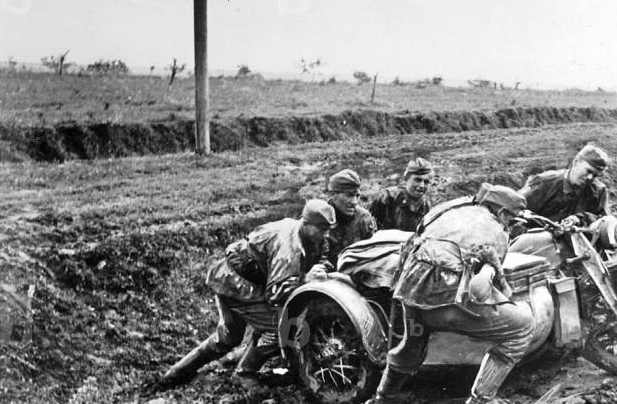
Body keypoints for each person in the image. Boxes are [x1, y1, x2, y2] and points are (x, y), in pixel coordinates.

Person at [367, 183, 534, 404]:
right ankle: (482, 401)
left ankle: (384, 398)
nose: (512, 226)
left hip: (411, 293)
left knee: (411, 343)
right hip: (445, 304)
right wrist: (499, 275)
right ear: (502, 213)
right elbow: (493, 287)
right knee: (521, 327)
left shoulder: (451, 209)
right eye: (512, 220)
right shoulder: (495, 231)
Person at [157, 199, 336, 389]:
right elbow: (276, 294)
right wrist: (306, 279)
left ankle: (174, 374)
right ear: (305, 223)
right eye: (321, 229)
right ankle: (244, 372)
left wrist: (320, 267)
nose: (325, 235)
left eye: (328, 229)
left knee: (228, 338)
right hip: (236, 283)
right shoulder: (287, 246)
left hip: (244, 281)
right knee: (283, 329)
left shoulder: (310, 237)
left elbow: (321, 257)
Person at [520, 143, 610, 225]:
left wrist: (581, 219)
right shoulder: (544, 182)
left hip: (577, 241)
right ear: (576, 162)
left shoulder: (598, 191)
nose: (590, 177)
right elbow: (515, 206)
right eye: (588, 171)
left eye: (595, 175)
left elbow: (604, 222)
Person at [325, 169, 377, 267]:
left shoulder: (363, 218)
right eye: (349, 195)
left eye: (357, 196)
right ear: (332, 194)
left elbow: (372, 255)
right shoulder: (319, 218)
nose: (355, 202)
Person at [368, 157, 434, 231]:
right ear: (406, 179)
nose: (422, 185)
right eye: (417, 180)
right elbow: (367, 226)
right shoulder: (387, 198)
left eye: (426, 182)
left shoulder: (427, 208)